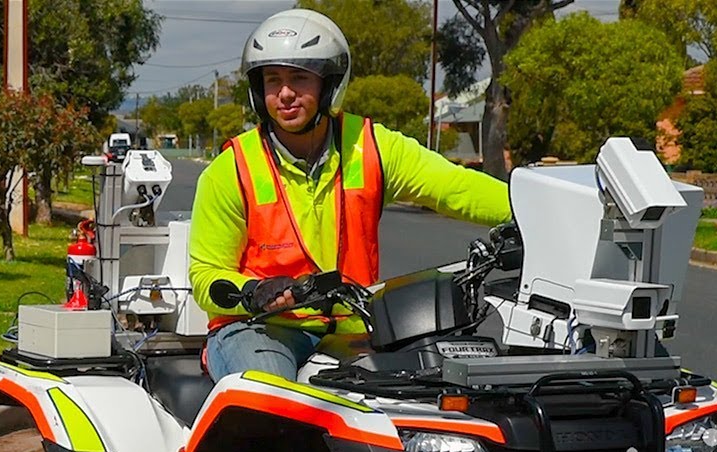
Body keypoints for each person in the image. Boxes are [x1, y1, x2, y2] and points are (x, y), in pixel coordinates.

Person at [189, 8, 513, 382]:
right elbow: (205, 274)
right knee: (272, 399)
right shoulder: (231, 168)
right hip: (260, 329)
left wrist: (533, 211)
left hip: (354, 329)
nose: (285, 93)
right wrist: (254, 291)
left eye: (299, 78)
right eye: (272, 80)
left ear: (330, 85)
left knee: (437, 388)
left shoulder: (371, 146)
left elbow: (458, 187)